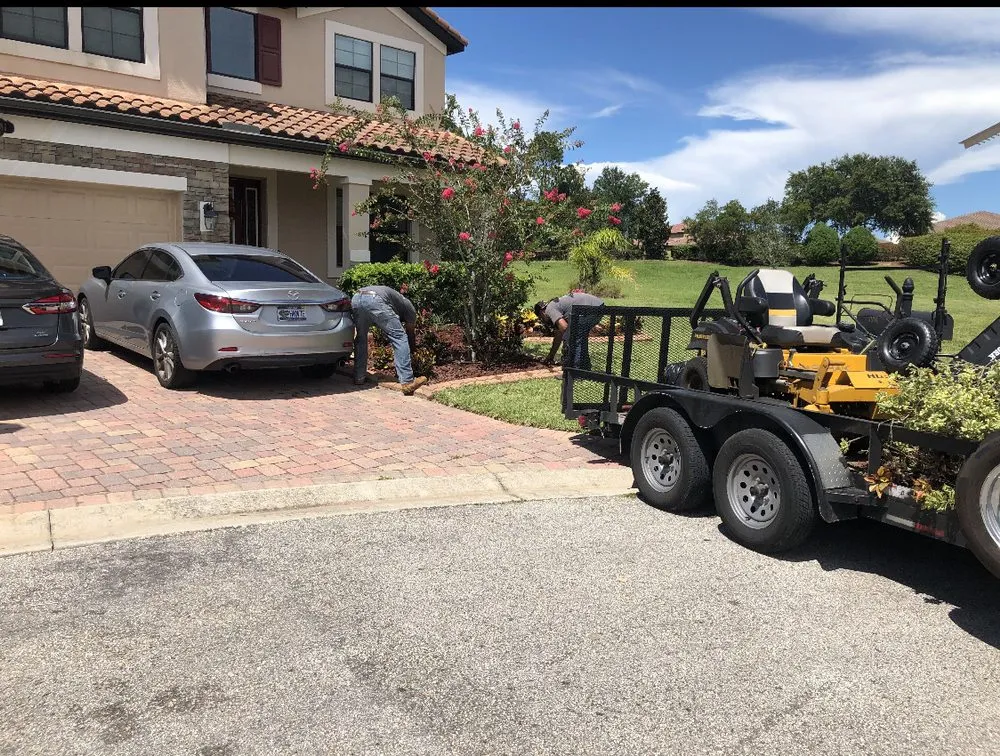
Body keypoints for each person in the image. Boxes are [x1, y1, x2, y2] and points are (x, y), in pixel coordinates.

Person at [351, 285, 428, 395]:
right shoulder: (410, 309)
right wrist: (413, 351)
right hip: (375, 299)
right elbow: (410, 334)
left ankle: (359, 377)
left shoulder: (397, 300)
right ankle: (407, 381)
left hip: (357, 297)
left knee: (361, 337)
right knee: (400, 337)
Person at [534, 291, 605, 369]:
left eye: (541, 317)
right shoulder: (555, 306)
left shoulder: (549, 309)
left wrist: (566, 347)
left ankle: (575, 371)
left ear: (542, 312)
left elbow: (565, 328)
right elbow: (558, 336)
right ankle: (585, 368)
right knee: (580, 338)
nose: (542, 320)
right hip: (598, 306)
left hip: (589, 308)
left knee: (575, 338)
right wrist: (550, 356)